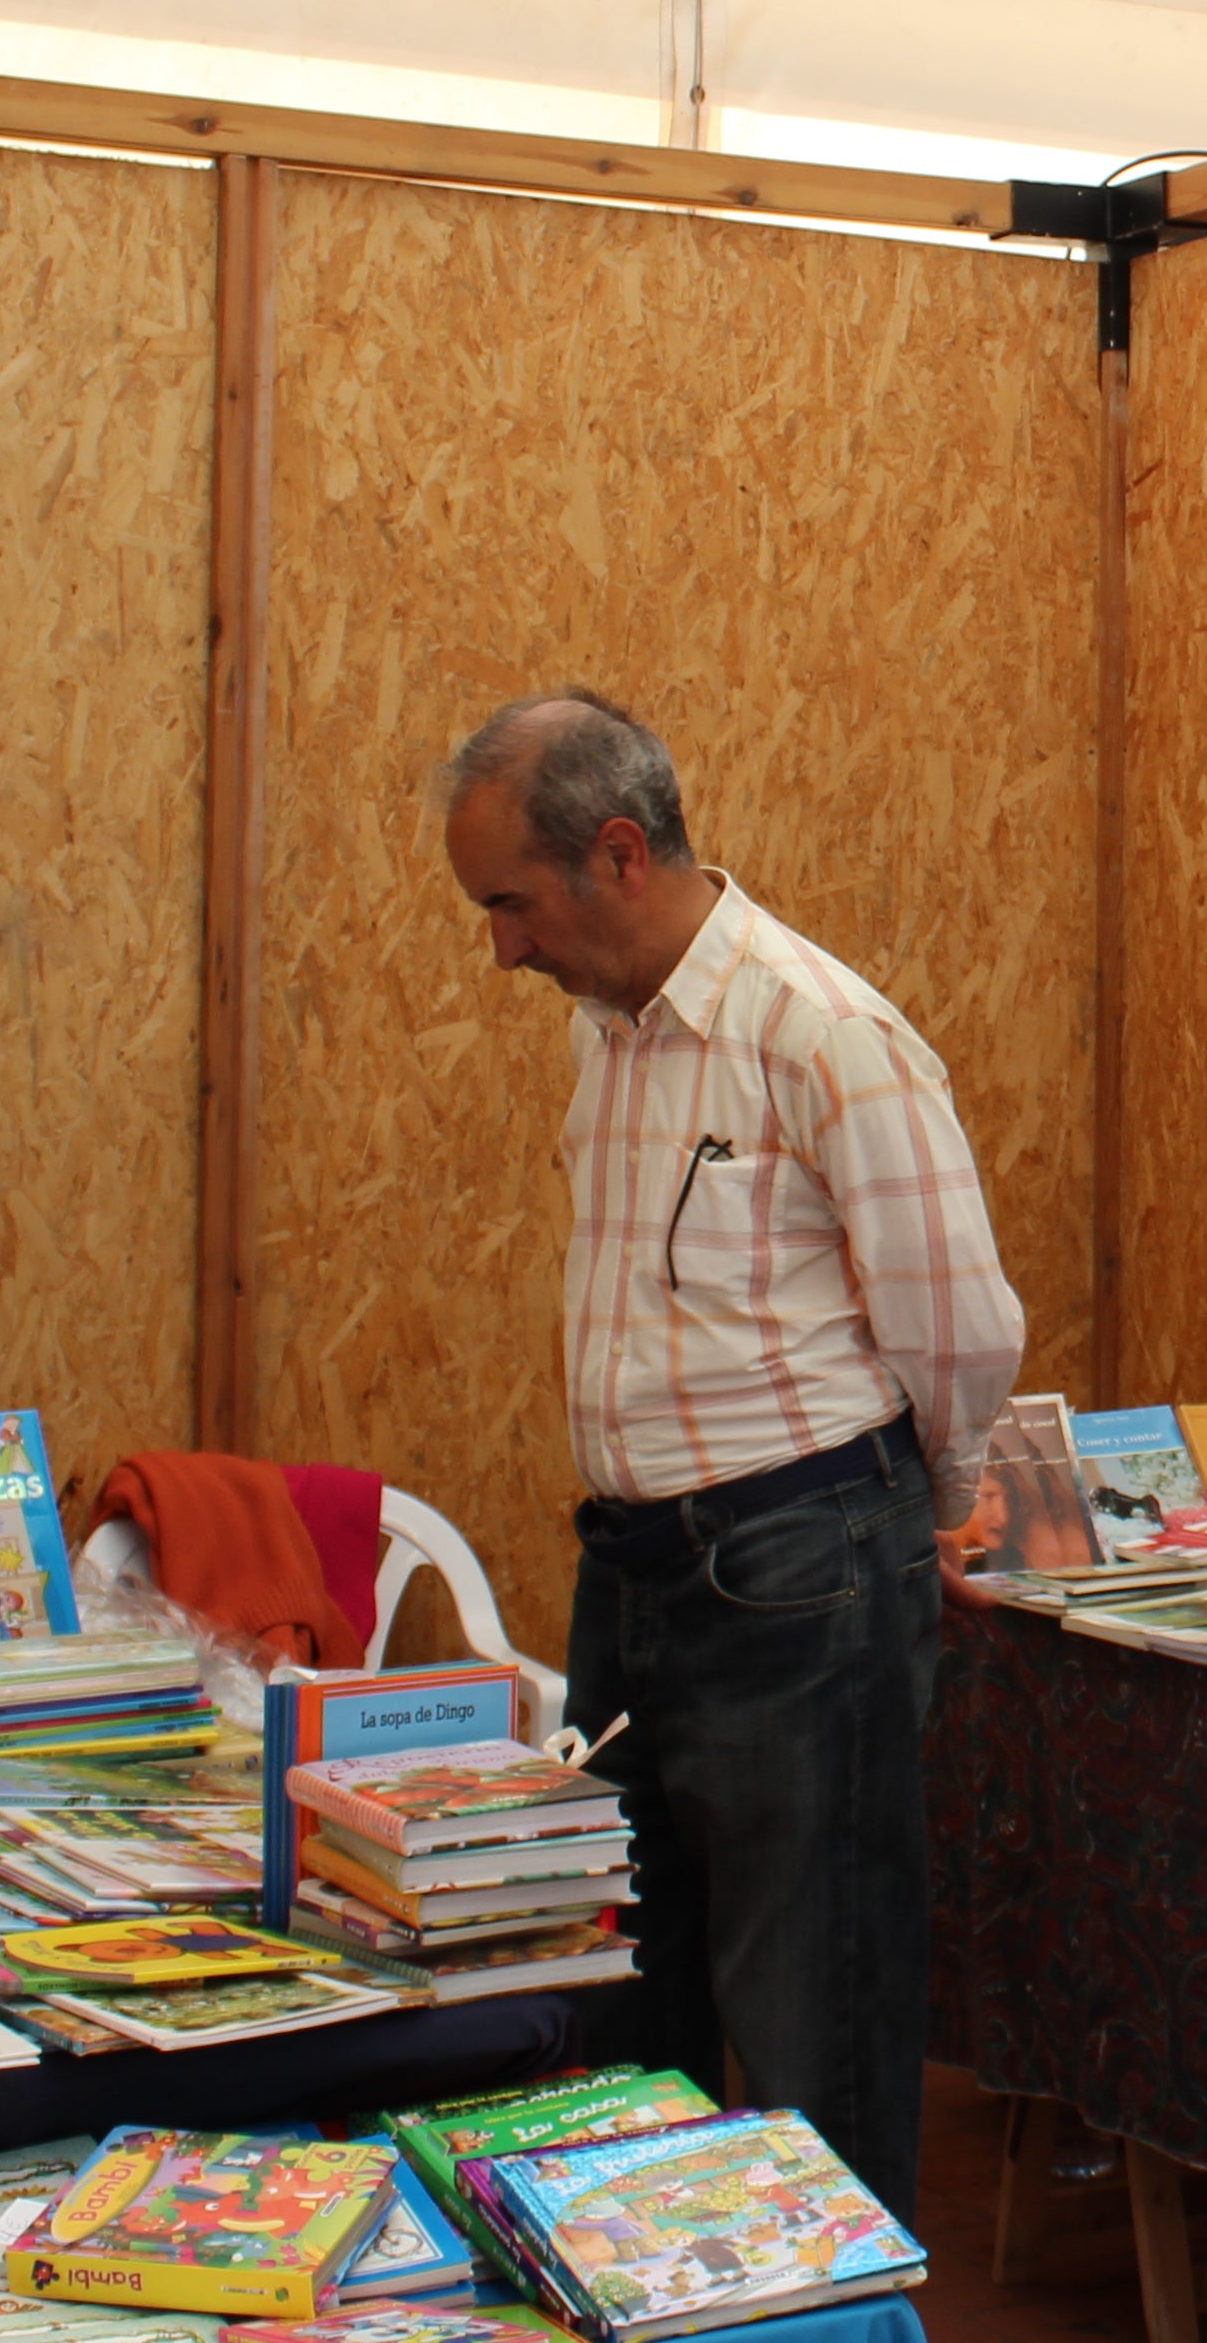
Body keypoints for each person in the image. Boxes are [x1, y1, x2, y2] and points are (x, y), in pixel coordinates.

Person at [436, 689, 1021, 2223]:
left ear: (618, 853)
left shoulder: (821, 1031)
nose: (499, 944)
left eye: (510, 901)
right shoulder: (610, 1034)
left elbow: (958, 1324)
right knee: (639, 1992)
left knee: (813, 2009)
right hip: (633, 1574)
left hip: (800, 1575)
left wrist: (936, 1510)